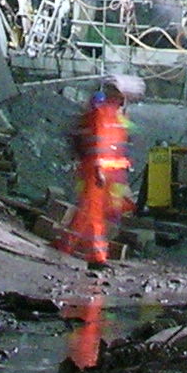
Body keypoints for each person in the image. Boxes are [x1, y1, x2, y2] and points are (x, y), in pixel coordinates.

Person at [60, 74, 141, 267]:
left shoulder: (115, 116)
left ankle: (66, 245)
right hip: (97, 172)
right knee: (94, 213)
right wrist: (99, 169)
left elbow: (116, 145)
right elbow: (98, 144)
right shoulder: (102, 115)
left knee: (90, 212)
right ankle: (97, 257)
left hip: (109, 174)